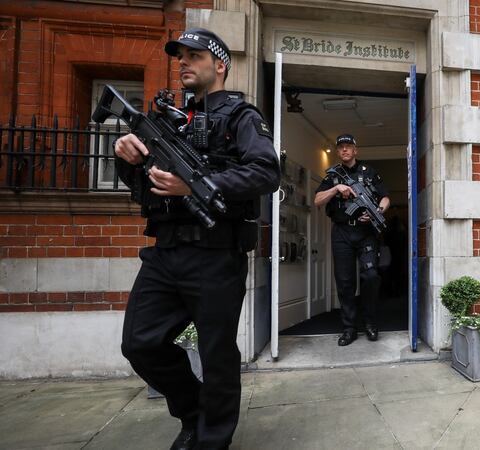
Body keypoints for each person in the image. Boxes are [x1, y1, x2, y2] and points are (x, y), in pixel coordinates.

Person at [114, 28, 279, 450]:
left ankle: (210, 441)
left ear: (219, 64)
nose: (183, 62)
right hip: (165, 252)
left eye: (194, 55)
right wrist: (129, 160)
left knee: (217, 355)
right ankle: (193, 414)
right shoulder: (170, 120)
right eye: (180, 56)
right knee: (140, 343)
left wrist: (198, 185)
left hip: (214, 255)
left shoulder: (241, 117)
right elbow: (143, 188)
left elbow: (265, 171)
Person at [314, 134, 390, 346]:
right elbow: (317, 200)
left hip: (366, 233)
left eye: (349, 147)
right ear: (338, 152)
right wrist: (335, 189)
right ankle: (349, 328)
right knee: (345, 282)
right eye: (341, 147)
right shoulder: (332, 176)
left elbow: (385, 197)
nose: (345, 150)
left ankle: (370, 323)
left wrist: (377, 210)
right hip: (342, 233)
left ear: (356, 150)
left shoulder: (369, 172)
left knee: (371, 277)